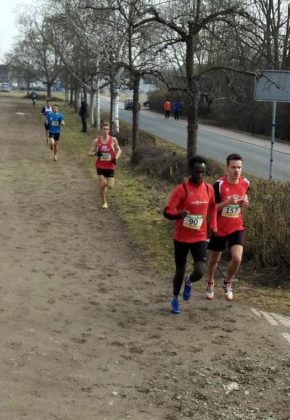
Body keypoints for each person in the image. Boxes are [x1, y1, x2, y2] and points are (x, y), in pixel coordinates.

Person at [163, 156, 217, 314]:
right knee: (180, 270)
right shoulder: (182, 189)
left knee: (200, 270)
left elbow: (213, 207)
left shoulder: (208, 189)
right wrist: (179, 215)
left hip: (199, 236)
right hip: (181, 238)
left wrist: (213, 224)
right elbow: (167, 212)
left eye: (202, 172)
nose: (200, 175)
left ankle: (189, 281)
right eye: (196, 171)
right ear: (190, 171)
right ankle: (175, 298)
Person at [206, 153, 250, 302]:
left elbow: (246, 199)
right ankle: (210, 283)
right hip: (219, 227)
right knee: (214, 259)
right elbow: (211, 208)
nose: (236, 170)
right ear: (227, 168)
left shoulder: (245, 183)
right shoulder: (219, 185)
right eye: (233, 167)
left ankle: (227, 282)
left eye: (239, 167)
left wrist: (245, 203)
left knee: (237, 258)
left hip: (237, 226)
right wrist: (227, 202)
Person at [88, 121, 121, 209]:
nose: (106, 131)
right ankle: (104, 202)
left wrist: (116, 158)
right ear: (101, 130)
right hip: (100, 166)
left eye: (107, 129)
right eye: (104, 129)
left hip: (110, 166)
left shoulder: (113, 139)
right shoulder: (96, 141)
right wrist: (96, 153)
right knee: (102, 184)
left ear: (109, 130)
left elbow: (119, 150)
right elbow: (89, 153)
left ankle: (104, 187)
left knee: (110, 186)